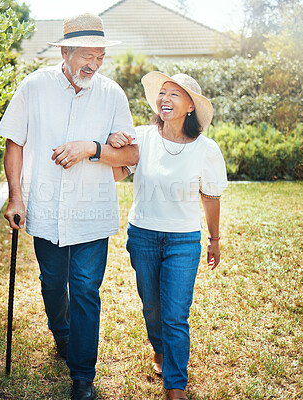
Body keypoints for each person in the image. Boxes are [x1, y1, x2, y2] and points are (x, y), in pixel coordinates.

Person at [0, 13, 138, 400]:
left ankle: (83, 377)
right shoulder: (34, 86)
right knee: (53, 284)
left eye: (100, 56)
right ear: (65, 50)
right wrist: (16, 196)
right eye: (87, 55)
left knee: (87, 291)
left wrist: (92, 148)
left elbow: (132, 156)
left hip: (92, 213)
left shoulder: (112, 94)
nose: (94, 64)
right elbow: (14, 142)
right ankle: (60, 332)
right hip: (44, 209)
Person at [109, 72, 228, 400]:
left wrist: (214, 239)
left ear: (191, 106)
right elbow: (118, 171)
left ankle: (175, 384)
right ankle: (159, 347)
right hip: (143, 235)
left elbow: (211, 196)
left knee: (176, 312)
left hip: (183, 240)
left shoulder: (206, 149)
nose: (165, 99)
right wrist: (110, 148)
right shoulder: (142, 137)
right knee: (152, 306)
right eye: (162, 93)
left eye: (175, 94)